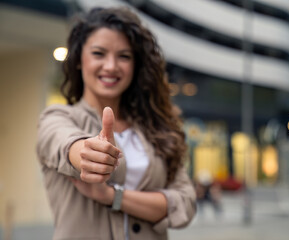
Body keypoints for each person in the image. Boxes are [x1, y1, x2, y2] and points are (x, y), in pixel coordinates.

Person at [36, 7, 196, 240]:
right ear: (80, 59)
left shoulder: (156, 128)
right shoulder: (58, 117)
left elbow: (185, 204)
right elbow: (63, 142)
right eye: (99, 53)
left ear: (135, 65)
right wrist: (87, 154)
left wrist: (112, 196)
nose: (111, 66)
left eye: (124, 56)